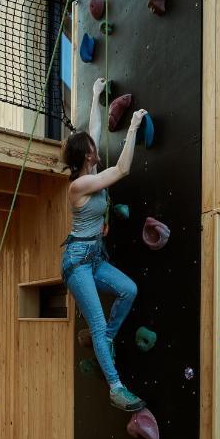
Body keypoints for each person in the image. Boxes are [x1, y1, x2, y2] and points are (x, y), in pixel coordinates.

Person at [61, 77, 148, 413]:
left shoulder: (89, 166)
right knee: (96, 323)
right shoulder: (79, 185)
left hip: (95, 257)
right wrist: (134, 126)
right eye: (93, 150)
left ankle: (105, 339)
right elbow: (123, 168)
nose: (97, 150)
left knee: (129, 290)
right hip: (77, 263)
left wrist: (96, 94)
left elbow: (93, 128)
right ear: (86, 157)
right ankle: (115, 388)